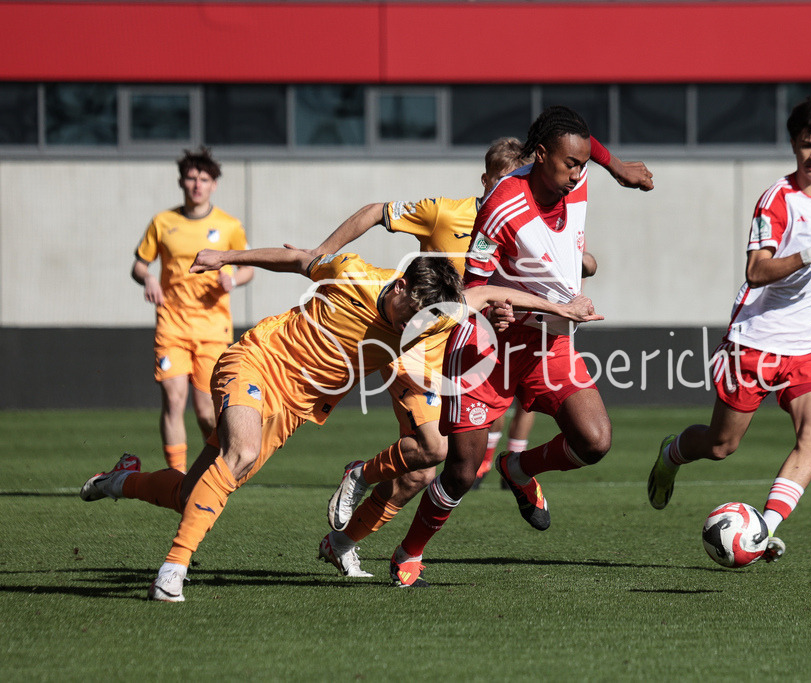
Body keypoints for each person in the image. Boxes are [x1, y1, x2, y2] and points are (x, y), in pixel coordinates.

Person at [81, 245, 600, 602]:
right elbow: (294, 256)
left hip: (294, 407)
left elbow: (485, 299)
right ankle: (173, 570)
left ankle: (119, 479)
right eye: (405, 313)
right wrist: (225, 257)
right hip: (256, 361)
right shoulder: (352, 272)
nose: (408, 325)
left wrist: (564, 307)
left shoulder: (431, 311)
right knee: (237, 456)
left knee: (190, 492)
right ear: (398, 285)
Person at [315, 136, 651, 576]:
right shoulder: (453, 212)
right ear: (486, 180)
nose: (510, 186)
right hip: (437, 355)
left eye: (518, 177)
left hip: (529, 344)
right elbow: (382, 216)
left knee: (423, 469)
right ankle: (366, 484)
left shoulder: (539, 207)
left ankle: (344, 541)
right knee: (442, 459)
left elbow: (573, 255)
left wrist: (579, 259)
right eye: (501, 179)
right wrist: (323, 252)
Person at [385, 105, 623, 588]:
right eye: (570, 164)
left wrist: (617, 167)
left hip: (546, 343)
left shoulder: (573, 177)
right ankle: (408, 553)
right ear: (539, 156)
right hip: (485, 349)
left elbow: (584, 140)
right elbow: (472, 291)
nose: (578, 174)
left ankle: (519, 467)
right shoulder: (500, 207)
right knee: (462, 471)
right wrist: (500, 311)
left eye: (583, 164)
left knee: (595, 441)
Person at [647, 95, 811, 563]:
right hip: (758, 340)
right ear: (793, 145)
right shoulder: (777, 201)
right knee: (721, 446)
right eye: (805, 145)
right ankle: (671, 454)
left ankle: (762, 529)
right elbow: (755, 272)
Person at [132, 148, 253, 472]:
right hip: (172, 324)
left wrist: (234, 280)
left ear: (213, 184)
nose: (197, 184)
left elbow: (248, 269)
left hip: (212, 328)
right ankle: (175, 476)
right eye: (191, 178)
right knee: (173, 400)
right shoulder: (163, 222)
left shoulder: (228, 225)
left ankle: (212, 471)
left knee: (205, 411)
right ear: (181, 182)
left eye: (204, 179)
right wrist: (148, 279)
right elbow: (139, 266)